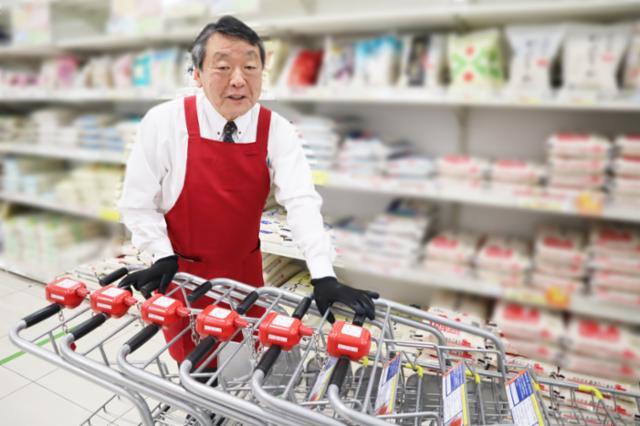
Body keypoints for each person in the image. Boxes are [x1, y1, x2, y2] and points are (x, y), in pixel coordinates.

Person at [117, 15, 377, 364]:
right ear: (197, 74)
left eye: (250, 68)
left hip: (246, 273)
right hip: (181, 276)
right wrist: (160, 252)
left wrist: (322, 273)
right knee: (193, 365)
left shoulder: (277, 130)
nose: (239, 80)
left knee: (245, 360)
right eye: (223, 67)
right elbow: (137, 202)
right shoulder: (164, 123)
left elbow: (301, 200)